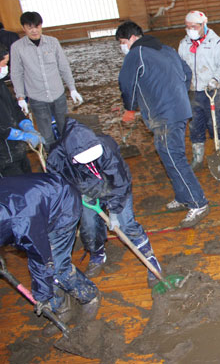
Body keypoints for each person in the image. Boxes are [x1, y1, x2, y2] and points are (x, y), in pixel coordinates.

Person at [115, 21, 209, 227]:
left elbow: (126, 83)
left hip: (164, 114)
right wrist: (178, 95)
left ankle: (198, 202)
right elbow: (187, 74)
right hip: (178, 109)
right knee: (166, 154)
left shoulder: (136, 53)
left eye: (122, 42)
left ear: (131, 38)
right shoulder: (165, 48)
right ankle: (184, 196)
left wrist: (130, 108)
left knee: (174, 156)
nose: (123, 47)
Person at [47, 118, 163, 285]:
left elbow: (120, 181)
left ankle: (150, 259)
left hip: (113, 185)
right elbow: (58, 185)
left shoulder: (105, 145)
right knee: (89, 227)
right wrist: (76, 195)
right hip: (84, 193)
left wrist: (115, 212)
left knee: (126, 224)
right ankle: (97, 254)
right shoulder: (56, 158)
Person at [0, 173, 100, 331]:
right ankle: (62, 309)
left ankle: (89, 295)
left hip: (61, 205)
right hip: (35, 205)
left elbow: (41, 258)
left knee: (56, 266)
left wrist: (42, 297)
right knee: (46, 272)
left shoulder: (19, 221)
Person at [10, 12, 83, 149]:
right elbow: (16, 73)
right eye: (29, 27)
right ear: (24, 28)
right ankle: (53, 159)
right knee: (46, 134)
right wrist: (20, 96)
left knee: (65, 129)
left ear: (41, 26)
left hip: (58, 94)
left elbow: (63, 66)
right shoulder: (17, 48)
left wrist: (72, 88)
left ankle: (70, 157)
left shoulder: (52, 42)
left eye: (37, 26)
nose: (34, 30)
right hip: (37, 97)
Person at [178, 10, 220, 170]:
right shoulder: (184, 44)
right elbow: (180, 65)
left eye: (194, 27)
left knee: (217, 123)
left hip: (213, 91)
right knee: (195, 124)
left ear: (203, 25)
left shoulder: (217, 43)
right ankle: (197, 157)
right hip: (193, 92)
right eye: (187, 27)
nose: (190, 30)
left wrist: (216, 79)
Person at [1, 44, 45, 176]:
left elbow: (13, 107)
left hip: (17, 149)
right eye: (3, 64)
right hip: (4, 157)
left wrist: (26, 124)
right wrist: (20, 135)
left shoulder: (1, 84)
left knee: (27, 175)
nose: (5, 68)